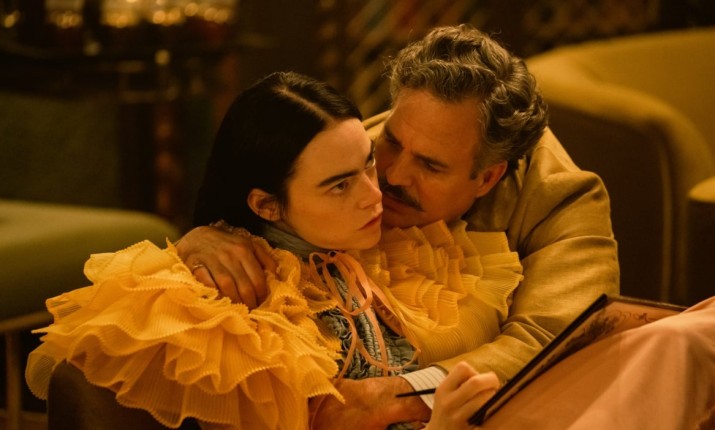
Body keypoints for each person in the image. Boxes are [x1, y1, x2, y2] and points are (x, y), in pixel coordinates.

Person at [176, 24, 620, 427]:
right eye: (389, 141)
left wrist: (397, 395)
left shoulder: (561, 198)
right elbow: (259, 189)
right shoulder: (355, 146)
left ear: (488, 178)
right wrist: (203, 239)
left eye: (430, 165)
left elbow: (557, 340)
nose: (389, 177)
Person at [25, 71, 521, 429]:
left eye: (368, 163)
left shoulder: (374, 242)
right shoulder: (230, 315)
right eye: (340, 185)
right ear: (266, 205)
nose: (377, 194)